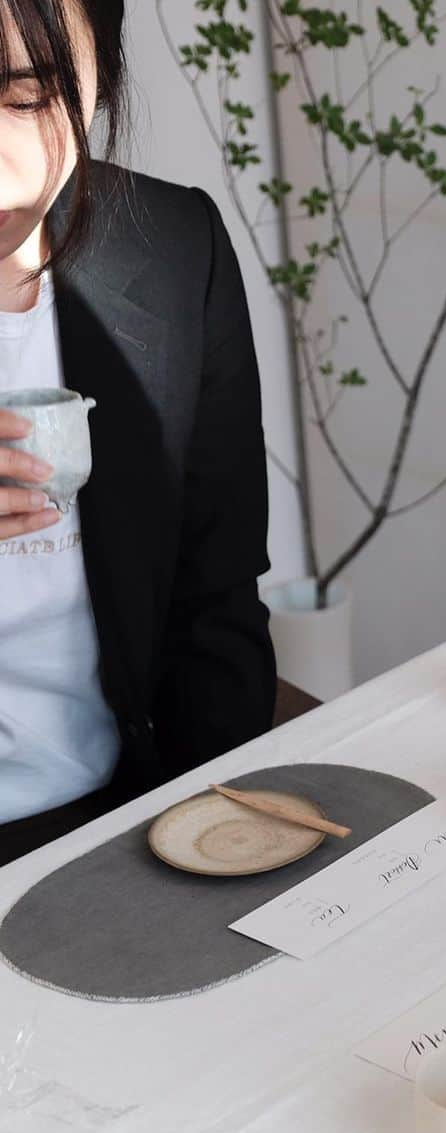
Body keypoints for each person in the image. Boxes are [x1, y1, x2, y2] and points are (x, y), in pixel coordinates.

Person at [0, 0, 276, 866]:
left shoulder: (171, 248)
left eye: (27, 94)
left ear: (99, 78)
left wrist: (207, 844)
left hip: (129, 817)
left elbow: (215, 601)